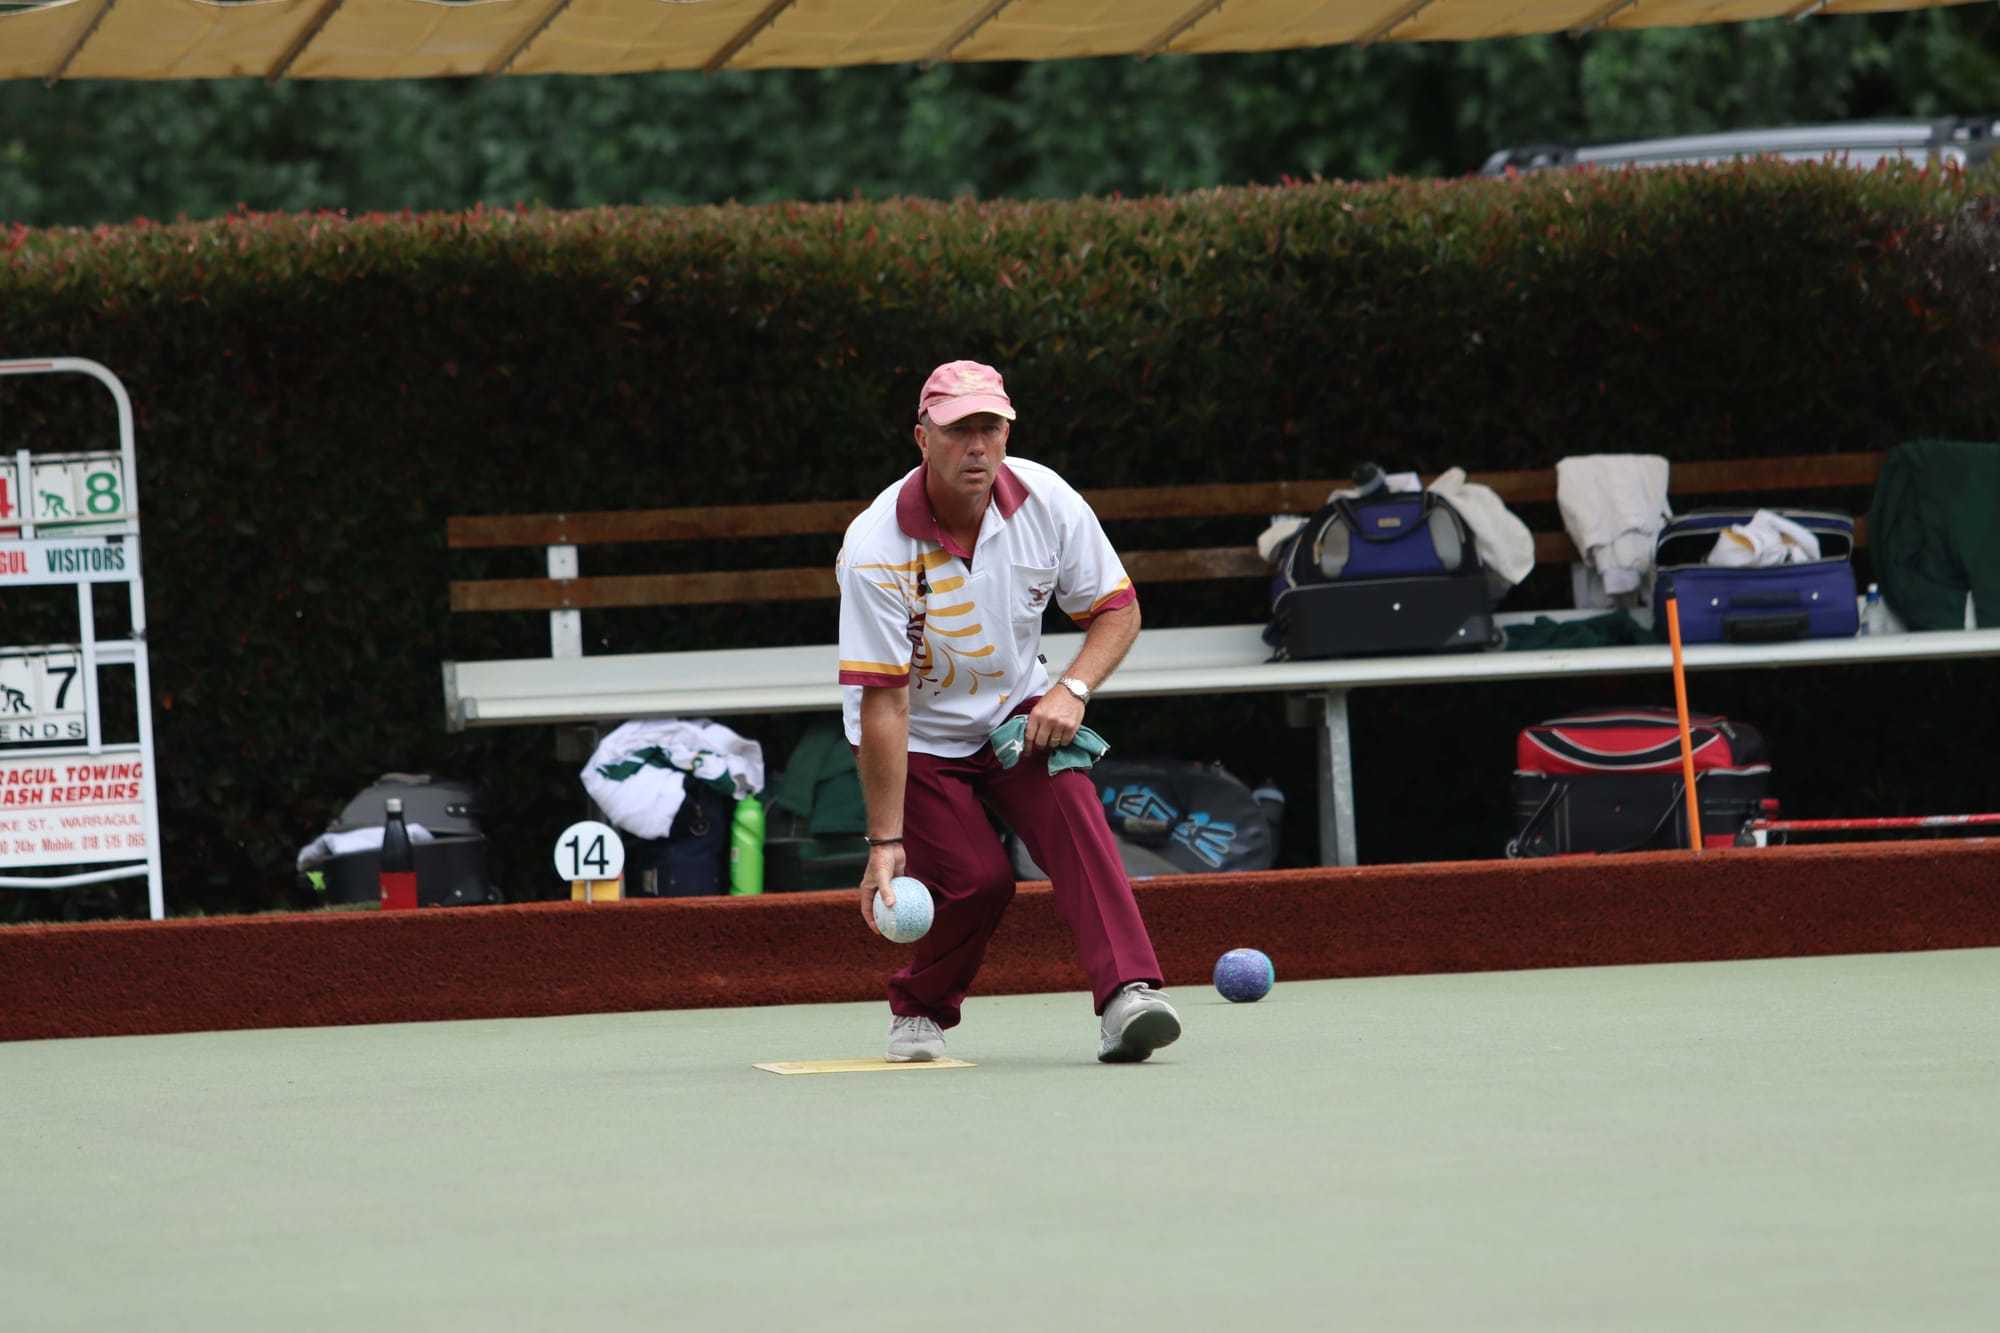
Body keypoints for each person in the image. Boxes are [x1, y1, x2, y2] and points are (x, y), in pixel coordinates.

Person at [835, 359, 1181, 1064]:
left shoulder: (1047, 499)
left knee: (1077, 814)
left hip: (1017, 712)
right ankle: (918, 1010)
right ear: (922, 438)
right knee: (977, 881)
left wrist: (1072, 688)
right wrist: (884, 841)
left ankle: (1128, 997)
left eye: (990, 427)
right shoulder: (874, 547)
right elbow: (886, 702)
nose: (978, 446)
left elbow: (1117, 610)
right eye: (959, 429)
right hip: (918, 735)